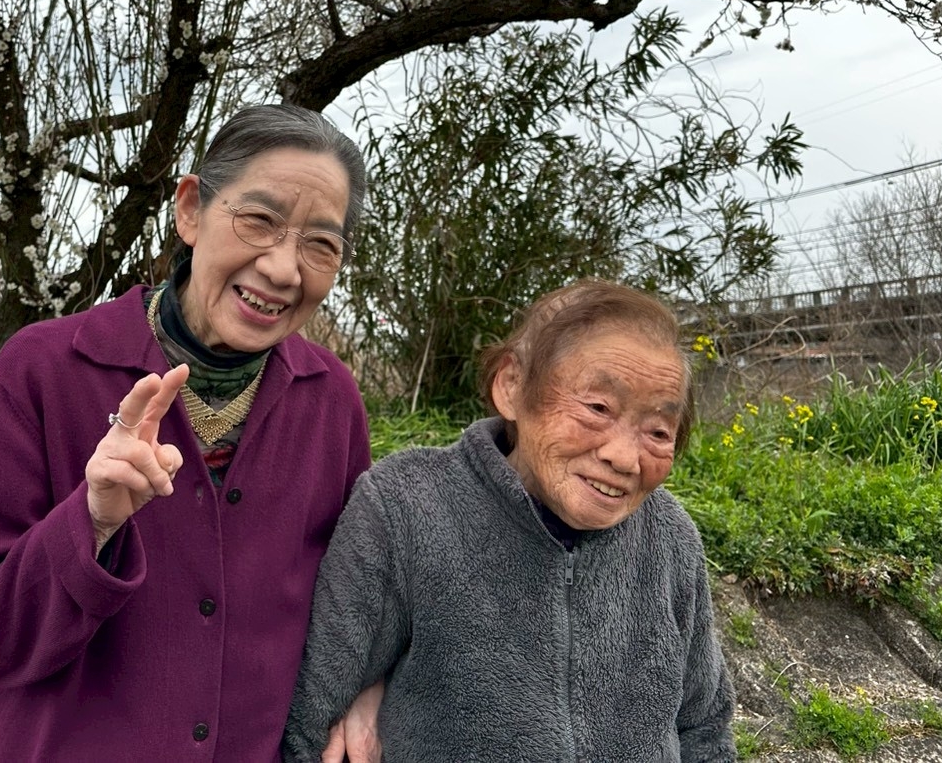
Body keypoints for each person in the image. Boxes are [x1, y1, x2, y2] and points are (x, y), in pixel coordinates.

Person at [0, 103, 378, 762]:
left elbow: (350, 608)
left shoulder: (330, 402)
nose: (284, 270)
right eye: (258, 220)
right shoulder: (44, 370)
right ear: (189, 211)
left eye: (320, 245)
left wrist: (369, 688)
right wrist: (89, 523)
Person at [284, 279, 736, 763]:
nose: (625, 458)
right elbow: (309, 718)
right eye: (598, 408)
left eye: (658, 431)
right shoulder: (405, 507)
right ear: (512, 386)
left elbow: (704, 726)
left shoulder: (669, 539)